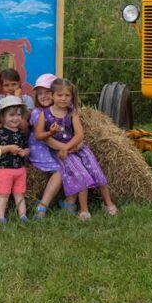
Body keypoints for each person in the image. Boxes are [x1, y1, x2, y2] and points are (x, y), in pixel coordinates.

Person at [35, 78, 118, 220]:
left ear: (72, 97)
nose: (64, 99)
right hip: (60, 153)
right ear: (52, 96)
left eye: (67, 95)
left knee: (97, 172)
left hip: (76, 148)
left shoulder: (71, 113)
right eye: (60, 95)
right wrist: (51, 133)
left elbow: (80, 134)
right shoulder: (45, 114)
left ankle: (108, 204)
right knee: (81, 175)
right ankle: (84, 210)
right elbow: (38, 135)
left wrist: (67, 147)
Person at [29, 73, 77, 219]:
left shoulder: (64, 112)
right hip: (41, 148)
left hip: (58, 148)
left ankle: (70, 202)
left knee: (74, 165)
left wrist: (69, 147)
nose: (43, 96)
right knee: (58, 172)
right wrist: (65, 148)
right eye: (40, 94)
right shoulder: (38, 113)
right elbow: (43, 139)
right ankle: (42, 207)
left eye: (47, 93)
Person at [0, 95, 30, 224]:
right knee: (4, 194)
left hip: (20, 170)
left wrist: (24, 152)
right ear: (2, 117)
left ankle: (23, 215)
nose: (15, 118)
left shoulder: (21, 133)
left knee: (19, 194)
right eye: (11, 115)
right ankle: (1, 217)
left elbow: (28, 148)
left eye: (18, 115)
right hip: (4, 170)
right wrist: (8, 148)